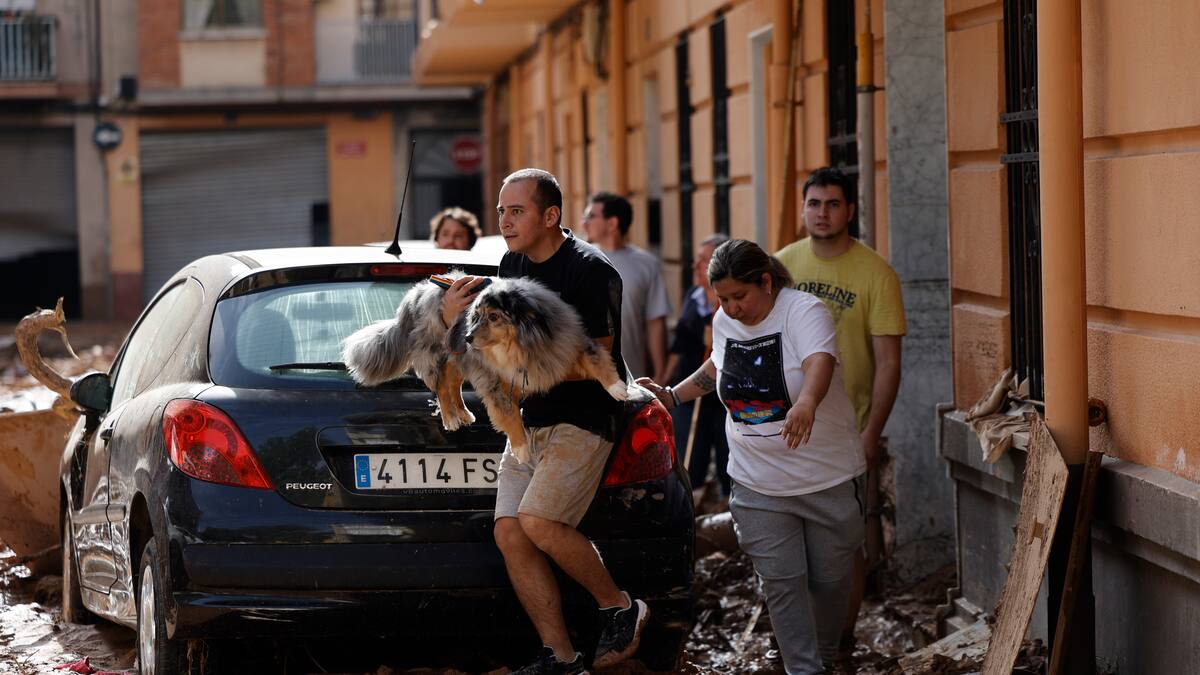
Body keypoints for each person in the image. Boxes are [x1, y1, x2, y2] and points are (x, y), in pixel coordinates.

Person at [440, 169, 647, 675]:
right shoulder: (511, 263)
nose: (504, 221)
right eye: (501, 211)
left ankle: (621, 607)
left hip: (583, 419)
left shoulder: (591, 271)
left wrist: (520, 362)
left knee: (538, 521)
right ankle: (561, 657)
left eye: (517, 211)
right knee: (511, 532)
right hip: (529, 423)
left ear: (550, 216)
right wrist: (453, 318)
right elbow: (483, 343)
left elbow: (595, 360)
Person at [637, 239, 866, 674]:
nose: (731, 308)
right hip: (757, 480)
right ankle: (805, 669)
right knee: (781, 583)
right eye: (723, 298)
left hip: (827, 477)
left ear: (765, 281)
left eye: (740, 296)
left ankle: (826, 657)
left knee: (829, 581)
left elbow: (820, 360)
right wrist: (672, 396)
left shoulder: (803, 311)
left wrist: (807, 403)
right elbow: (717, 368)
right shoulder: (725, 320)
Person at [774, 166, 906, 654]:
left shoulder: (875, 273)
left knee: (843, 547)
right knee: (789, 542)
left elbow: (889, 363)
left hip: (846, 434)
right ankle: (798, 640)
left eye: (832, 204)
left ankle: (840, 642)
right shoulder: (781, 266)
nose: (822, 213)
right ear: (804, 208)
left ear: (850, 211)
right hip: (784, 431)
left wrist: (871, 432)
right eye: (814, 203)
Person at [664, 233, 731, 498]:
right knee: (689, 461)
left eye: (703, 261)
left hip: (720, 399)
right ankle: (692, 514)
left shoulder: (727, 301)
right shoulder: (693, 295)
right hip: (688, 395)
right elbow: (679, 345)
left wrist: (713, 338)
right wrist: (664, 382)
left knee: (727, 460)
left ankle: (727, 518)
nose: (694, 266)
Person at [580, 191, 671, 381]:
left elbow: (655, 322)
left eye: (590, 216)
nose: (583, 223)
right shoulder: (580, 261)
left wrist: (660, 373)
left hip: (631, 377)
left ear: (612, 223)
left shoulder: (647, 264)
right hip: (583, 376)